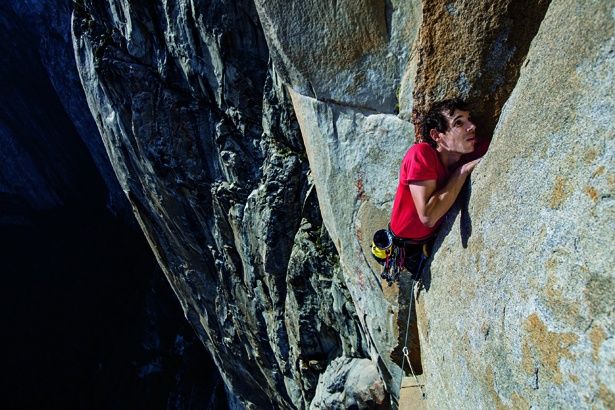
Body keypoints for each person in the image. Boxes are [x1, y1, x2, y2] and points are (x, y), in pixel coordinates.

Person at [389, 98, 483, 278]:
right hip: (406, 250)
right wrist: (460, 173)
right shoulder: (421, 154)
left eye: (469, 119)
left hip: (429, 240)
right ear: (436, 136)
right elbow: (428, 216)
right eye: (459, 123)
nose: (471, 126)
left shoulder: (467, 153)